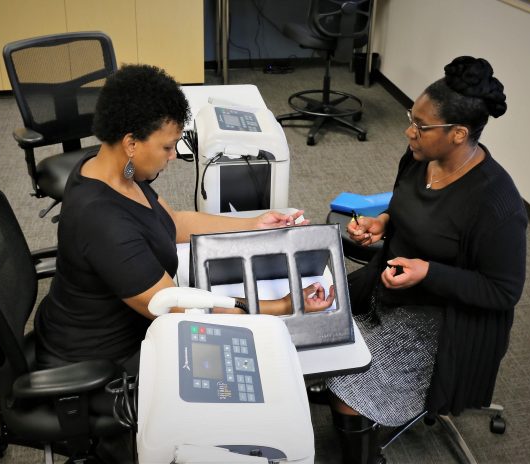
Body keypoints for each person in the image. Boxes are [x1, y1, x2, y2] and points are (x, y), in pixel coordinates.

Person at [33, 63, 334, 376]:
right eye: (166, 146)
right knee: (261, 366)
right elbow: (186, 311)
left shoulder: (112, 167)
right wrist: (282, 307)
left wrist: (253, 223)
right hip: (104, 360)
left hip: (116, 322)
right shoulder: (104, 223)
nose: (173, 155)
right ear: (131, 143)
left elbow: (173, 222)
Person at [324, 56, 527, 463]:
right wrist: (384, 223)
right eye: (411, 118)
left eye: (421, 125)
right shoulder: (420, 158)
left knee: (348, 387)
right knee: (313, 323)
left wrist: (429, 273)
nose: (409, 131)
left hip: (441, 320)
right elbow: (406, 205)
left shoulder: (496, 203)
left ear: (458, 134)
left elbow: (503, 291)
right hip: (388, 286)